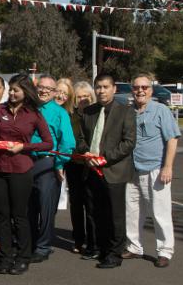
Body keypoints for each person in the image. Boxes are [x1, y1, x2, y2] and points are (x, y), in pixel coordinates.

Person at [0, 74, 53, 275]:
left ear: (25, 92)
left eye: (17, 90)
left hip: (21, 169)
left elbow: (47, 142)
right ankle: (6, 257)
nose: (13, 93)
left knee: (20, 215)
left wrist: (24, 146)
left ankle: (23, 257)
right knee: (2, 215)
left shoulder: (34, 114)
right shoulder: (0, 110)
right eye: (12, 90)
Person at [74, 74, 136, 269]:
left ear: (114, 89)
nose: (101, 90)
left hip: (113, 171)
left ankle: (115, 253)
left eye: (105, 87)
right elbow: (81, 139)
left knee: (115, 215)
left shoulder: (125, 111)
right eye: (98, 87)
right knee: (96, 213)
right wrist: (86, 154)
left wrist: (105, 158)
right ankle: (102, 248)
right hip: (91, 170)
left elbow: (128, 142)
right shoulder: (90, 111)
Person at [123, 73, 180, 268]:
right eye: (136, 87)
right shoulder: (129, 111)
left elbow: (172, 139)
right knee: (132, 212)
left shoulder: (161, 110)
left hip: (156, 169)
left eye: (144, 87)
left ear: (151, 90)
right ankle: (134, 247)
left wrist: (168, 166)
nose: (140, 90)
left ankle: (165, 251)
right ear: (132, 90)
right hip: (132, 170)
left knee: (160, 213)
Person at [29, 75, 76, 263]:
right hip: (26, 162)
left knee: (46, 207)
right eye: (40, 87)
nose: (43, 91)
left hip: (47, 162)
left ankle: (43, 246)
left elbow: (67, 143)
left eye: (48, 89)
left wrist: (59, 164)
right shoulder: (29, 109)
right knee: (28, 206)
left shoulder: (59, 113)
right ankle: (30, 242)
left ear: (55, 92)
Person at [67, 81, 99, 259]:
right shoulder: (70, 117)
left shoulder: (96, 114)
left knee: (91, 205)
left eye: (86, 96)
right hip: (74, 165)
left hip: (92, 165)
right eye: (79, 97)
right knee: (77, 204)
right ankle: (78, 239)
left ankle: (93, 242)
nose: (83, 99)